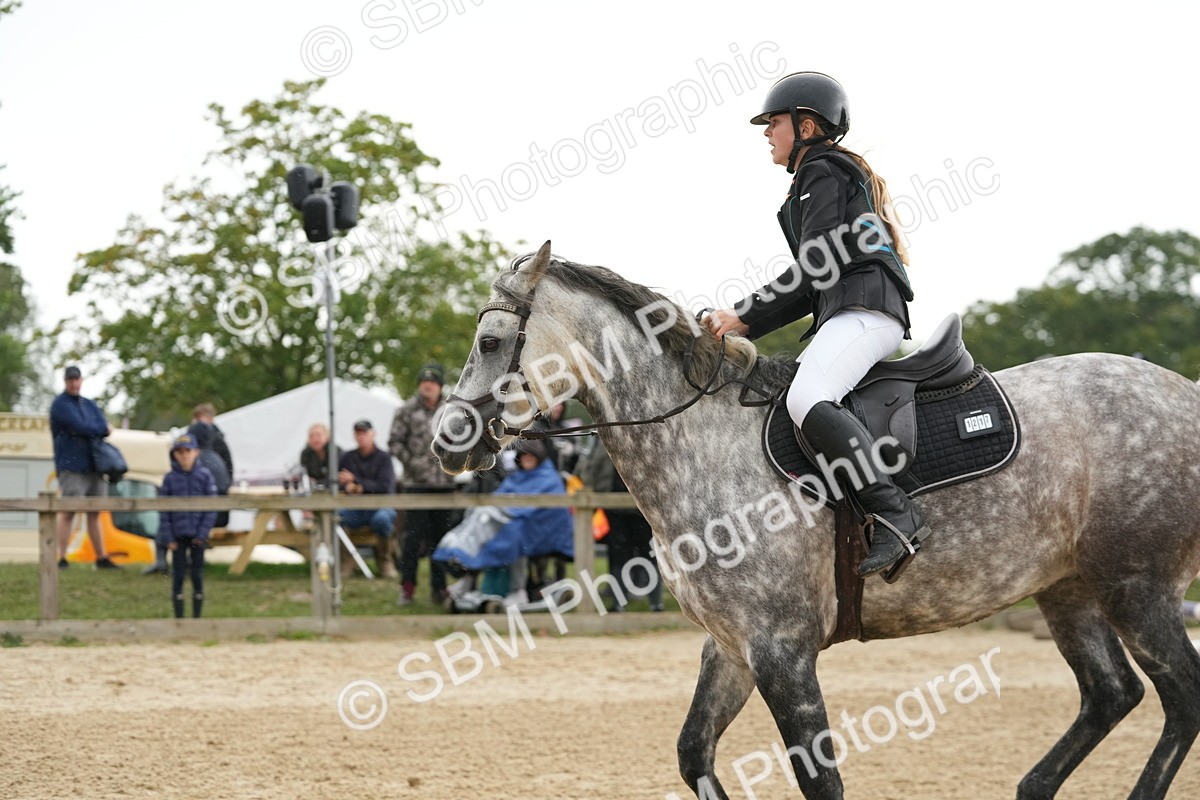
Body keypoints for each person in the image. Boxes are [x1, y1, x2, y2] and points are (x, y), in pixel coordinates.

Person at [703, 71, 928, 577]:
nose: (766, 132)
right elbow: (813, 281)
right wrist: (745, 325)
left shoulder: (822, 171)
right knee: (790, 402)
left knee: (807, 398)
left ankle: (896, 511)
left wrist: (743, 314)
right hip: (849, 309)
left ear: (805, 128)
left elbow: (816, 263)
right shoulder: (818, 177)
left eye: (774, 122)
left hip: (867, 311)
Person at [433, 440, 573, 608]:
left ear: (539, 458)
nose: (527, 460)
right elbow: (498, 498)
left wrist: (510, 511)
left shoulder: (548, 477)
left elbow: (545, 511)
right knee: (480, 521)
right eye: (524, 457)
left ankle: (518, 591)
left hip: (542, 530)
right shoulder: (517, 477)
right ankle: (466, 579)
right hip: (516, 522)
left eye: (531, 457)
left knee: (512, 535)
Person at [390, 362, 457, 605]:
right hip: (415, 485)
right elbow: (394, 443)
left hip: (444, 484)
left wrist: (454, 465)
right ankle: (407, 587)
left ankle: (439, 588)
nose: (427, 387)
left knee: (442, 539)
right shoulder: (406, 410)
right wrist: (414, 465)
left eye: (432, 383)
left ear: (440, 386)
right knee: (412, 538)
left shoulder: (453, 410)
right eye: (423, 383)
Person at [578, 438, 663, 612]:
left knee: (650, 554)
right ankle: (619, 603)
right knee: (619, 555)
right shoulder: (604, 437)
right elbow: (590, 467)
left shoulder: (646, 437)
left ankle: (656, 604)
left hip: (644, 509)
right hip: (613, 507)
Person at [49, 365, 120, 570]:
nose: (74, 383)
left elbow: (98, 424)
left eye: (77, 379)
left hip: (94, 466)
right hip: (71, 467)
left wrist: (98, 428)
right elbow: (85, 426)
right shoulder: (60, 405)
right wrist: (100, 429)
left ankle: (101, 557)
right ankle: (61, 557)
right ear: (65, 381)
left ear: (81, 380)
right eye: (70, 379)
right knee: (68, 511)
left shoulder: (89, 404)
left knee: (95, 512)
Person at [157, 433, 217, 618]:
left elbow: (211, 508)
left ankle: (197, 617)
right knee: (178, 575)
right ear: (174, 454)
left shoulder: (205, 476)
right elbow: (163, 511)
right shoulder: (169, 479)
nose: (184, 455)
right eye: (180, 452)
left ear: (196, 452)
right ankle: (179, 618)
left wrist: (203, 533)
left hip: (198, 535)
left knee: (198, 575)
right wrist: (168, 537)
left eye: (188, 451)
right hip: (178, 536)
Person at [337, 419, 399, 579]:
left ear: (373, 434)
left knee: (382, 520)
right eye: (358, 433)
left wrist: (357, 482)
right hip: (356, 508)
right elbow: (338, 481)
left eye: (364, 433)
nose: (361, 437)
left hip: (381, 507)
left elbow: (385, 486)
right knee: (336, 518)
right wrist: (347, 487)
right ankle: (347, 561)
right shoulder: (347, 457)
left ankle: (385, 561)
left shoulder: (384, 458)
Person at [188, 403, 233, 480]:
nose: (195, 421)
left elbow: (227, 464)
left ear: (210, 419)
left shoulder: (217, 439)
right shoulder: (190, 436)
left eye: (199, 418)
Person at [299, 422, 342, 488]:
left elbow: (337, 475)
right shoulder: (306, 454)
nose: (315, 439)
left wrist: (318, 482)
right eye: (311, 436)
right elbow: (305, 475)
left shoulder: (336, 452)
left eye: (318, 435)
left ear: (327, 436)